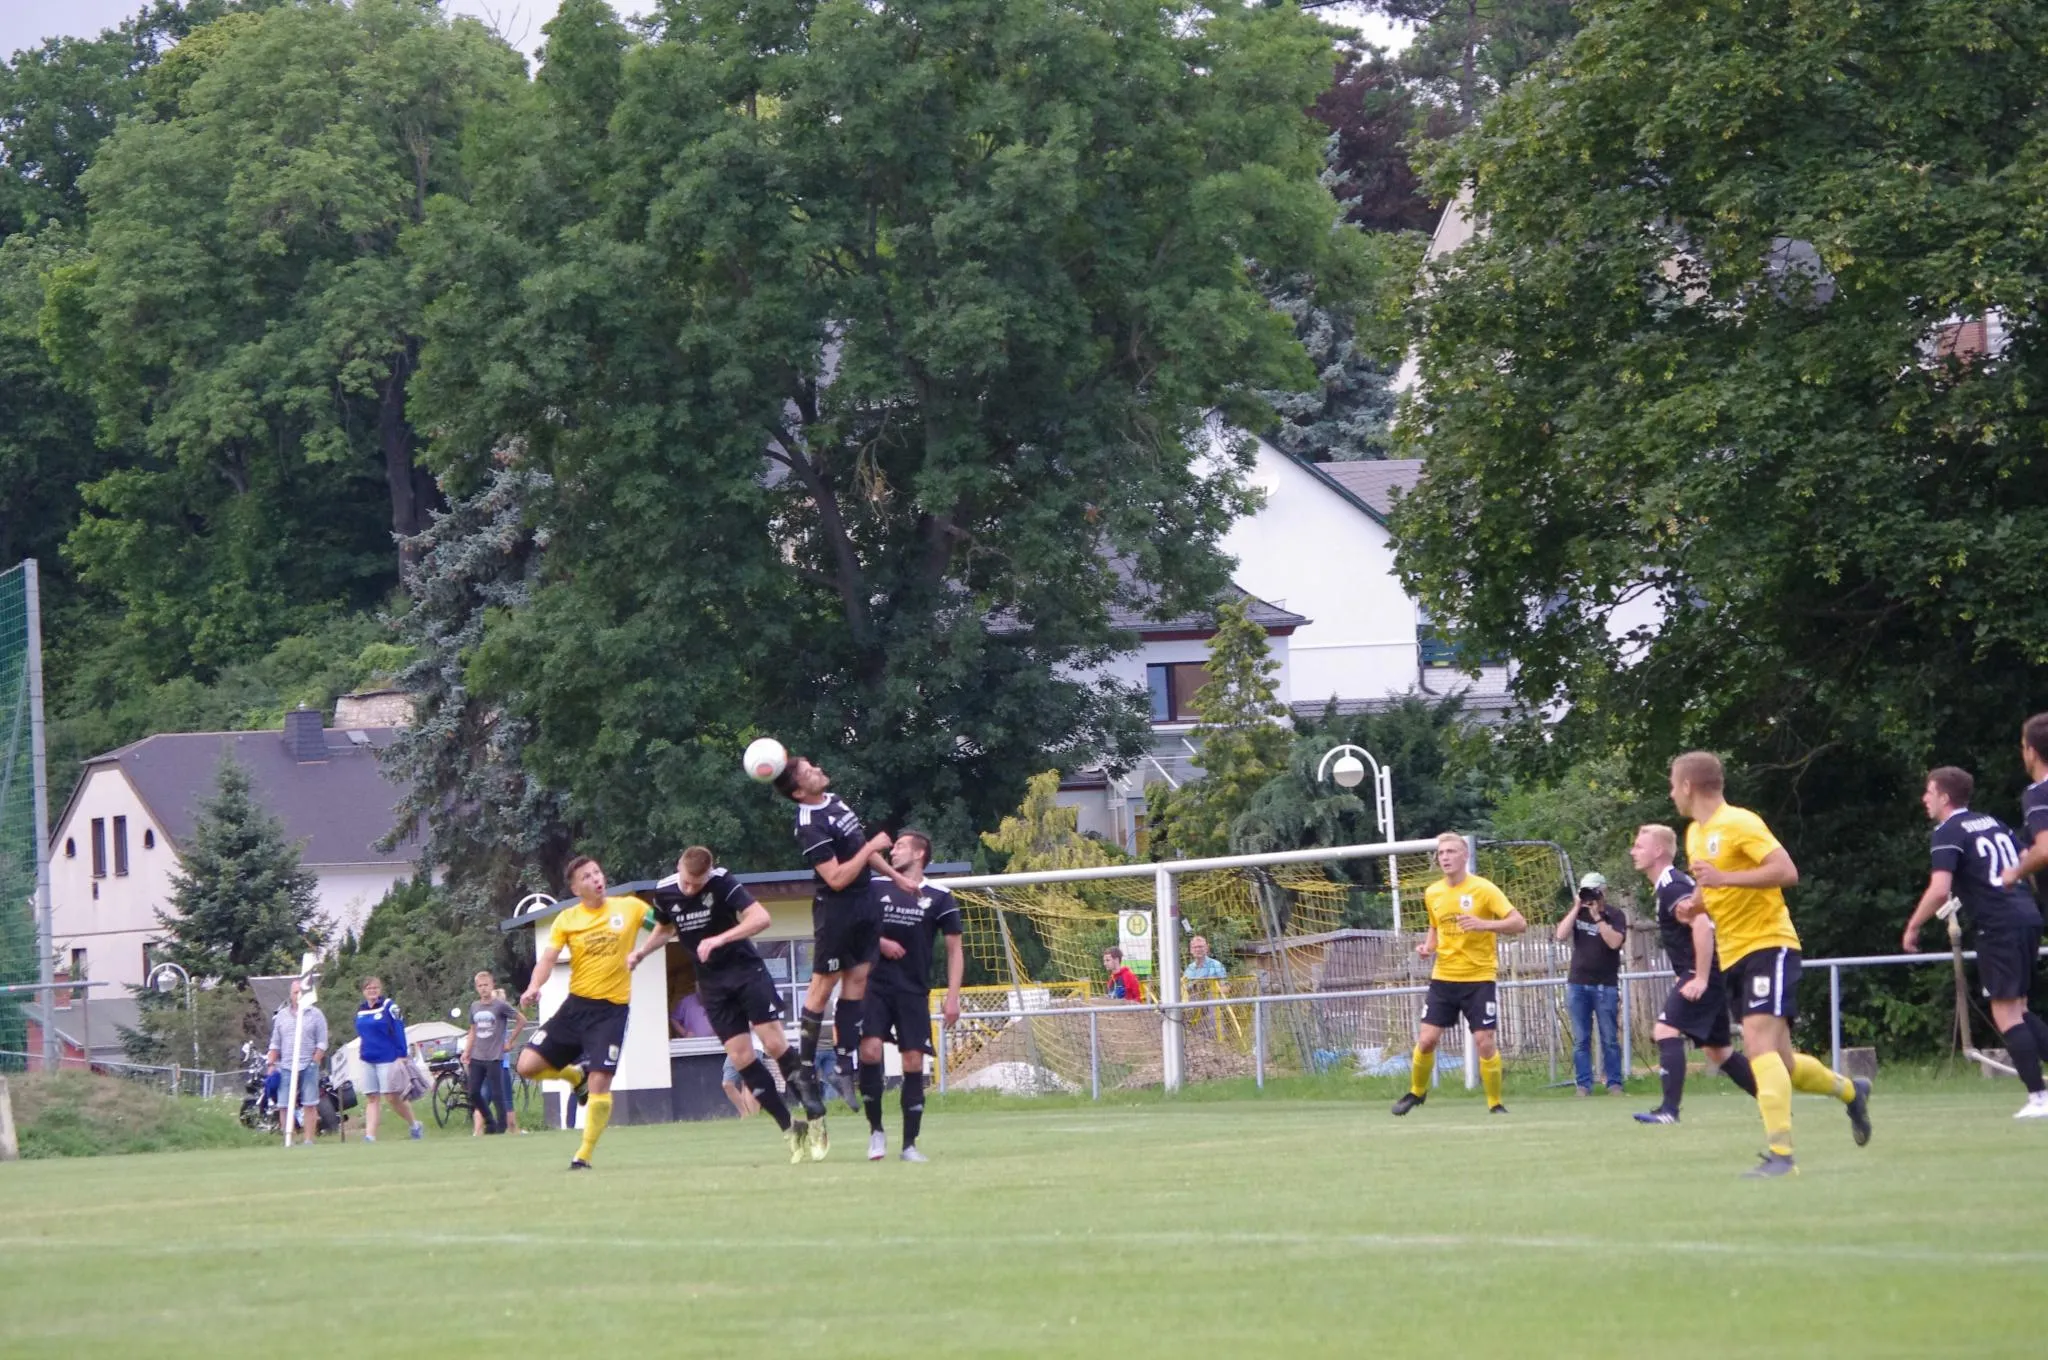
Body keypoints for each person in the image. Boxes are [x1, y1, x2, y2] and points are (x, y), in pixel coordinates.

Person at [1669, 751, 1869, 1177]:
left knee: (1757, 1045)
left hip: (1769, 944)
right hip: (1734, 954)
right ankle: (1853, 1092)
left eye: (1673, 784)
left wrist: (1723, 879)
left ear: (1687, 786)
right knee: (1785, 1065)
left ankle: (1782, 1156)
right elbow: (1712, 883)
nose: (1671, 793)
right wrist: (1695, 904)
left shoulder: (1740, 822)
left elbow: (1786, 871)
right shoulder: (1694, 834)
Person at [630, 845, 813, 1163]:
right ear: (678, 867)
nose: (690, 890)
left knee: (773, 1044)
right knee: (741, 1059)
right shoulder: (665, 891)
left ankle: (815, 1111)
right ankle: (789, 1127)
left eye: (697, 884)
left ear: (709, 874)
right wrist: (641, 952)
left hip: (745, 971)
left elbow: (761, 918)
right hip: (712, 985)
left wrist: (720, 938)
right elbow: (664, 928)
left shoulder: (722, 881)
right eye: (687, 882)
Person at [772, 755, 918, 1140]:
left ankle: (843, 1067)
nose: (818, 770)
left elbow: (863, 850)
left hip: (865, 904)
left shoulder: (835, 801)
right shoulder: (808, 823)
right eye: (809, 772)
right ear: (799, 791)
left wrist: (896, 877)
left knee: (858, 981)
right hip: (836, 910)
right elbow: (836, 877)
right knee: (823, 987)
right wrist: (871, 847)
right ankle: (805, 1070)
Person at [1902, 766, 2048, 1119]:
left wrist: (1913, 925)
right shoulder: (1992, 822)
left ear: (1944, 797)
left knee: (2006, 1012)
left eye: (1929, 792)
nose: (1924, 798)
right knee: (2020, 1009)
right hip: (2026, 916)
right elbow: (2025, 857)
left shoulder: (1948, 832)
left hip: (1998, 925)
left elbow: (1940, 889)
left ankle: (2039, 1097)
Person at [518, 854, 646, 1170]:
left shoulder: (630, 908)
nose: (596, 879)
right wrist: (533, 986)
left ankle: (583, 1155)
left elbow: (664, 924)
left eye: (597, 872)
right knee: (526, 1066)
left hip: (612, 1011)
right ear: (576, 889)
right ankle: (574, 1075)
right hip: (576, 1007)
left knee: (601, 1083)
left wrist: (644, 949)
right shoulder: (567, 919)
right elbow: (547, 960)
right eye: (587, 877)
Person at [1629, 823, 1756, 1124]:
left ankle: (1669, 1111)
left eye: (1639, 846)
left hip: (1703, 973)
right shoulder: (1668, 886)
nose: (1633, 851)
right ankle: (1774, 1100)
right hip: (1703, 972)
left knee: (1665, 1031)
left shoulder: (1673, 885)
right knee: (1719, 1052)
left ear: (1658, 851)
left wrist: (1699, 977)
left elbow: (1702, 925)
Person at [1393, 832, 1527, 1116]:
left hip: (1479, 978)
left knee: (1484, 1042)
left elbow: (1519, 923)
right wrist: (1428, 947)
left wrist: (1483, 924)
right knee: (1426, 1040)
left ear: (1465, 856)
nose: (1445, 857)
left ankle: (1495, 1103)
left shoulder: (1484, 889)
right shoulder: (1433, 892)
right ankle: (1416, 1091)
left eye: (1451, 852)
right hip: (1443, 978)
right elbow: (1435, 926)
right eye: (1441, 853)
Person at [859, 830, 964, 1163]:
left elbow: (954, 950)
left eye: (901, 847)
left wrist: (953, 997)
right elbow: (852, 928)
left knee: (913, 1062)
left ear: (920, 854)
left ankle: (909, 1145)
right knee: (869, 1050)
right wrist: (880, 943)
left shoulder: (940, 896)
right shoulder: (875, 887)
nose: (893, 852)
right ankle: (876, 1132)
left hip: (913, 990)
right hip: (873, 986)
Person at [1555, 872, 1628, 1095]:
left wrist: (1598, 917)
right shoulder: (1578, 913)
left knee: (1609, 1038)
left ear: (1603, 891)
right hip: (1578, 984)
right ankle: (1583, 1085)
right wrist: (1577, 906)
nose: (1590, 896)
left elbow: (1614, 943)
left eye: (1593, 891)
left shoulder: (1615, 915)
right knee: (1581, 1039)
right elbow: (1560, 934)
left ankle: (1614, 1082)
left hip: (1605, 985)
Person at [354, 977, 423, 1142]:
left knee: (392, 1097)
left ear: (380, 989)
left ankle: (414, 1124)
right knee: (372, 1097)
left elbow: (398, 1029)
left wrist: (402, 1053)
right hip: (368, 1057)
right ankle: (370, 1136)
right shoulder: (361, 1010)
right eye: (369, 988)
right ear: (364, 991)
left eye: (375, 988)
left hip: (387, 1057)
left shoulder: (389, 1006)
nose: (372, 991)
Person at [265, 977, 328, 1146]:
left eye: (301, 992)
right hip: (286, 1066)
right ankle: (289, 1139)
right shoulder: (282, 1016)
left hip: (308, 1065)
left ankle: (308, 1140)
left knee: (309, 1103)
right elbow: (275, 1043)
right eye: (295, 992)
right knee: (284, 1104)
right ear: (290, 994)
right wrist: (271, 1064)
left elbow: (322, 1042)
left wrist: (314, 1061)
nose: (298, 995)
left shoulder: (316, 1014)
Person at [461, 970, 524, 1136]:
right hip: (477, 1055)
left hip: (494, 1056)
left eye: (486, 985)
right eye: (480, 986)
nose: (483, 988)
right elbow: (473, 1030)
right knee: (473, 1092)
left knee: (497, 1095)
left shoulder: (500, 1005)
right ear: (476, 988)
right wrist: (467, 1051)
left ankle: (500, 1128)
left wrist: (510, 1041)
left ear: (492, 985)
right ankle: (489, 1120)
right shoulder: (475, 1006)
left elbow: (521, 1020)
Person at [1998, 712, 2048, 892]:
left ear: (2031, 753)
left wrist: (2016, 873)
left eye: (2023, 747)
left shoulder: (2038, 793)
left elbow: (2045, 849)